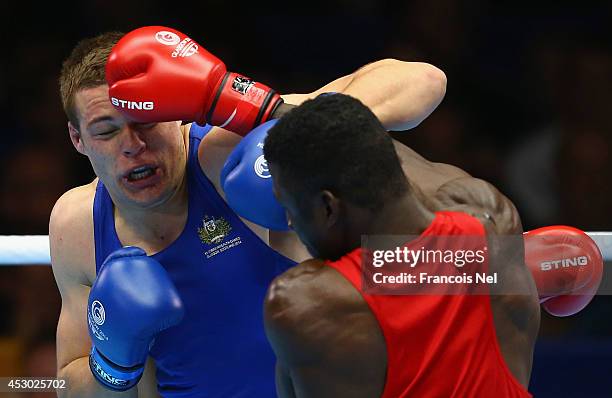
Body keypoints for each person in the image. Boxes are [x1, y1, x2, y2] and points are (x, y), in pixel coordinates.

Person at [50, 26, 447, 397]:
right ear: (77, 138)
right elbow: (67, 383)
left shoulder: (226, 158)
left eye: (148, 122)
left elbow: (423, 80)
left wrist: (262, 113)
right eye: (106, 130)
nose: (132, 144)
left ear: (176, 110)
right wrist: (111, 362)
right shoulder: (78, 225)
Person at [262, 93, 602, 397]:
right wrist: (276, 110)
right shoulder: (493, 221)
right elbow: (394, 165)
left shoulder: (304, 304)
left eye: (290, 209)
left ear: (327, 207)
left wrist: (249, 105)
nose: (290, 222)